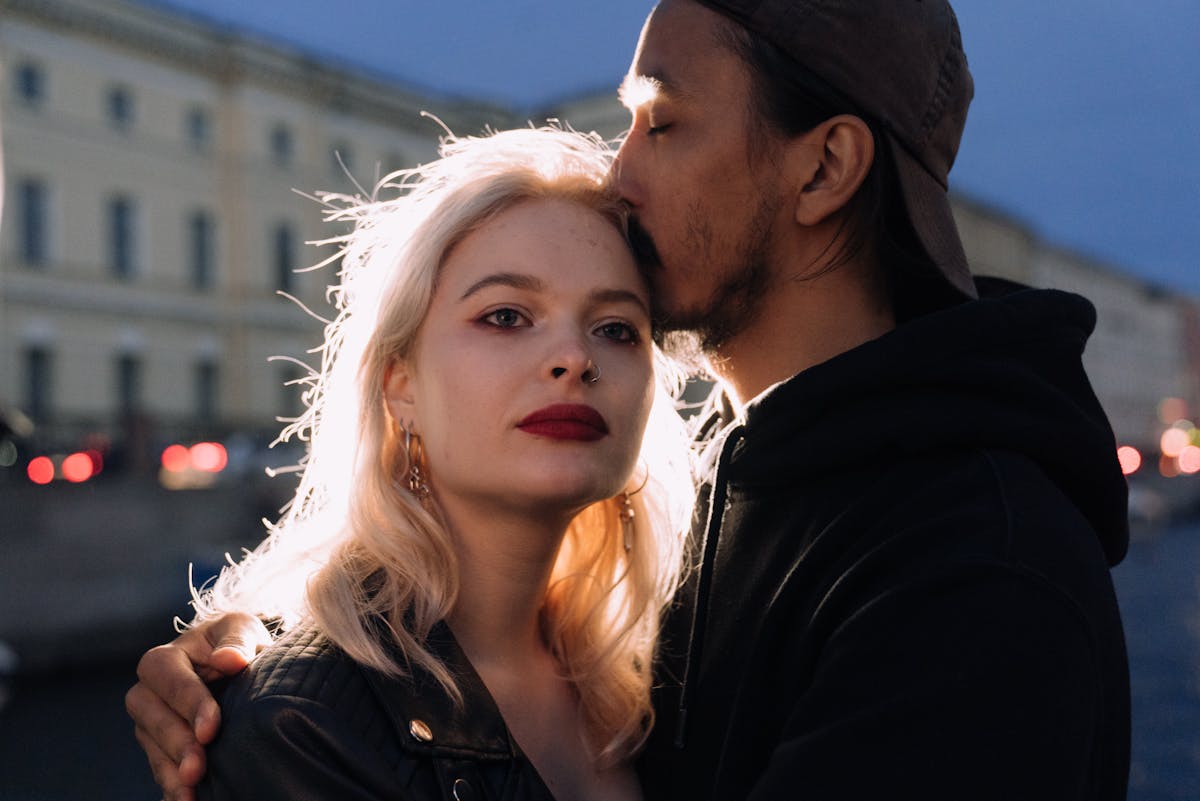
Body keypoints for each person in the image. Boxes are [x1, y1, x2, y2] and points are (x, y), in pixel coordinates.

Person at [128, 1, 1132, 799]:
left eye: (661, 121)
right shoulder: (745, 508)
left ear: (823, 167)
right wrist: (264, 675)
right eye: (507, 317)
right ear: (400, 384)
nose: (622, 169)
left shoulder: (975, 570)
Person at [156, 126, 695, 800]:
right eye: (506, 316)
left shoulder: (664, 676)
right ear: (399, 385)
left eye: (616, 327)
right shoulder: (301, 727)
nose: (575, 356)